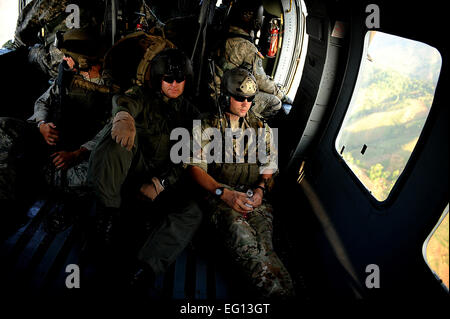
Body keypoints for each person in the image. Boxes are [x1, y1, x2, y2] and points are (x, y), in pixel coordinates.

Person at [88, 48, 203, 283]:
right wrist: (123, 116)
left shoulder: (192, 115)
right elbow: (127, 101)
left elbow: (187, 157)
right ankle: (106, 215)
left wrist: (160, 183)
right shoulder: (142, 96)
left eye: (179, 79)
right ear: (159, 78)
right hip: (129, 177)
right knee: (114, 141)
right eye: (168, 79)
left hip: (161, 184)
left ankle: (145, 269)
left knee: (193, 211)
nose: (174, 84)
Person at [186, 67, 295, 298]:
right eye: (240, 98)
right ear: (226, 97)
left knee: (266, 247)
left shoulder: (259, 127)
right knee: (247, 248)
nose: (245, 103)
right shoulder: (207, 125)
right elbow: (195, 169)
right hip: (219, 198)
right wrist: (223, 193)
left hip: (253, 198)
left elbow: (269, 164)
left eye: (250, 99)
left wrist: (260, 189)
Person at [0, 27, 116, 229]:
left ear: (82, 59)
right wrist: (42, 124)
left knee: (86, 178)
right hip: (52, 137)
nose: (64, 60)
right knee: (4, 127)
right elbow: (43, 102)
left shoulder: (112, 88)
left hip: (83, 151)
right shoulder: (68, 73)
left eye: (68, 56)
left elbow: (111, 128)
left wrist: (79, 153)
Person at [210, 1, 292, 119]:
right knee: (275, 102)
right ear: (254, 18)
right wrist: (282, 96)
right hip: (225, 99)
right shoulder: (246, 46)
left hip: (216, 91)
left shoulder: (226, 33)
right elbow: (261, 81)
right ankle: (245, 124)